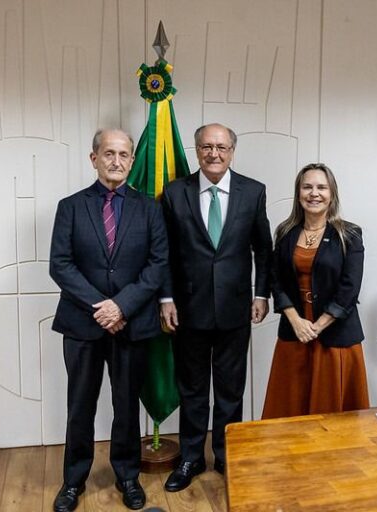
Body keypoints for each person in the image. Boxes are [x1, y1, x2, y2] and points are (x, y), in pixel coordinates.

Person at [49, 129, 169, 512]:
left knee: (126, 406)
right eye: (108, 153)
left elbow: (157, 265)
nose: (116, 161)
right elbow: (61, 265)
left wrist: (122, 306)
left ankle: (128, 476)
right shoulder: (70, 206)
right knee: (80, 406)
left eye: (123, 154)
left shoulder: (150, 208)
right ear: (93, 158)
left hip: (131, 323)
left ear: (133, 161)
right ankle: (73, 482)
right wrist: (102, 306)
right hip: (82, 325)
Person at [159, 123, 272, 491]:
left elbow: (263, 249)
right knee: (192, 389)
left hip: (236, 309)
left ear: (232, 152)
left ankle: (225, 454)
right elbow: (164, 254)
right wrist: (166, 298)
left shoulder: (253, 191)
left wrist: (261, 294)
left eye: (221, 147)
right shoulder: (175, 193)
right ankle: (191, 457)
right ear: (196, 150)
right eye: (207, 146)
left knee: (230, 390)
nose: (214, 154)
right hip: (187, 310)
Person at [261, 163, 369, 419]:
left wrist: (317, 326)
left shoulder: (348, 234)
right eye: (307, 186)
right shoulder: (286, 232)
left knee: (333, 416)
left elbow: (350, 287)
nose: (314, 193)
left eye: (322, 187)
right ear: (298, 193)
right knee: (290, 407)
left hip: (334, 335)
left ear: (332, 193)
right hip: (295, 332)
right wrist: (297, 322)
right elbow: (276, 279)